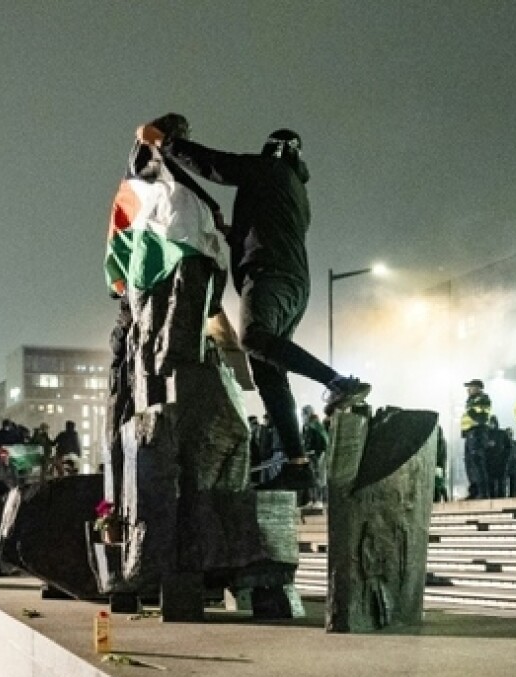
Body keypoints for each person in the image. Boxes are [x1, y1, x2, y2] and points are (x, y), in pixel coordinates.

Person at [137, 123, 371, 493]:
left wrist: (167, 143)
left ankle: (338, 382)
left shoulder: (270, 168)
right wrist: (231, 232)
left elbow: (217, 165)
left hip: (269, 274)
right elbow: (267, 227)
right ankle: (298, 464)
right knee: (268, 372)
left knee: (253, 338)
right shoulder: (293, 190)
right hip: (291, 282)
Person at [460, 379, 493, 499]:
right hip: (470, 434)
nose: (468, 390)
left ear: (478, 388)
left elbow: (481, 418)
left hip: (477, 433)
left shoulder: (483, 399)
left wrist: (470, 409)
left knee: (477, 464)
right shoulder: (471, 401)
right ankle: (474, 491)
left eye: (470, 387)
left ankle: (482, 492)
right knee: (469, 464)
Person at [301, 405, 329, 507]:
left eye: (304, 414)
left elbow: (323, 442)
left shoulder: (315, 425)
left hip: (316, 456)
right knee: (311, 477)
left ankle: (319, 499)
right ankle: (312, 499)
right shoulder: (308, 426)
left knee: (317, 478)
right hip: (310, 455)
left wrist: (315, 452)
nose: (302, 416)